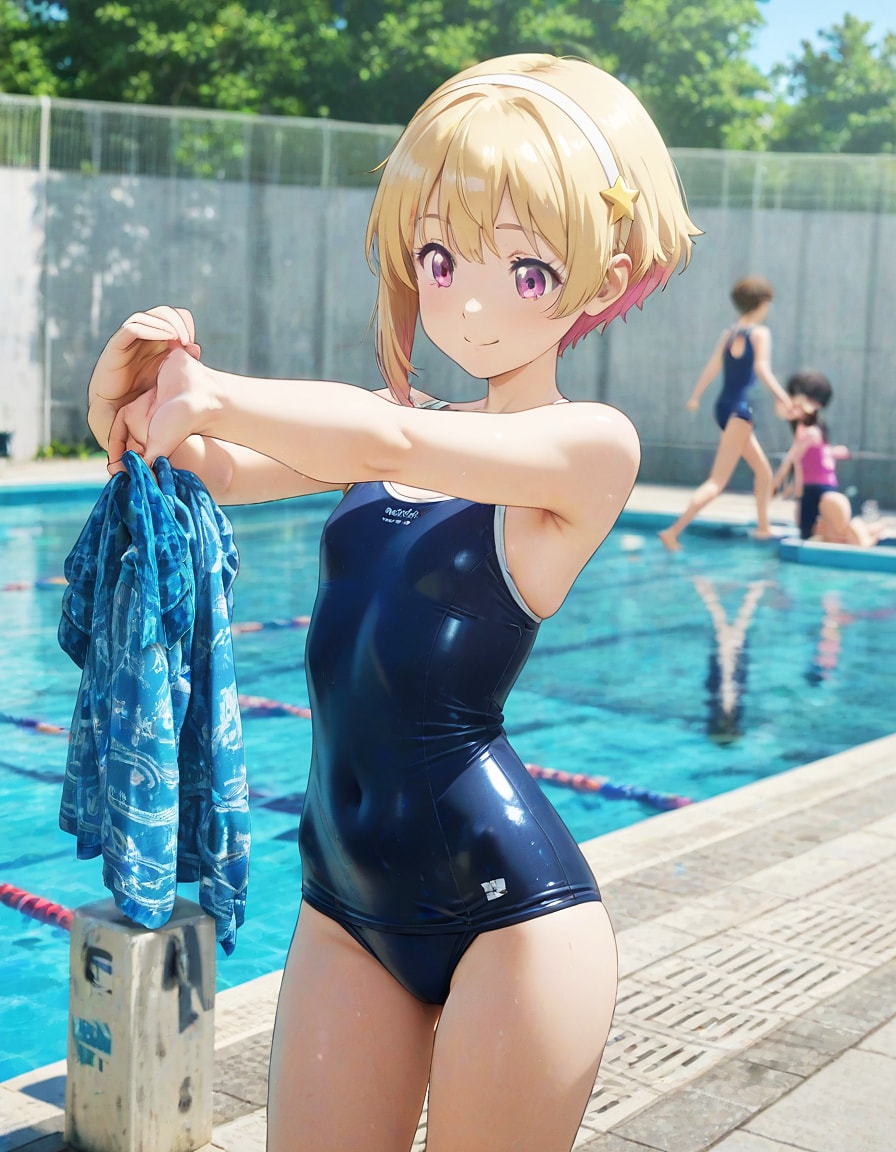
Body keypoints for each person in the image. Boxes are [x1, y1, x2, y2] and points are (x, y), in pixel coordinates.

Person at [85, 54, 699, 1152]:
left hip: (509, 913)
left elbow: (395, 440)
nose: (466, 300)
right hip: (341, 902)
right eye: (439, 257)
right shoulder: (387, 428)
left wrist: (218, 394)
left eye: (524, 270)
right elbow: (212, 470)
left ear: (601, 284)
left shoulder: (587, 447)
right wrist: (125, 410)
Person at [658, 275, 795, 551]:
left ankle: (763, 527)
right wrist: (785, 398)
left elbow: (712, 367)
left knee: (764, 473)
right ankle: (673, 531)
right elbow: (762, 369)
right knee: (717, 482)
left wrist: (696, 396)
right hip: (740, 411)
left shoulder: (728, 333)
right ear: (762, 303)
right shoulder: (760, 334)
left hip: (723, 407)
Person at [772, 369, 894, 547]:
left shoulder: (812, 432)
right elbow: (800, 459)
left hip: (821, 486)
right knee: (809, 530)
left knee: (828, 530)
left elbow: (794, 458)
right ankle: (873, 528)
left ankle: (871, 529)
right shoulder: (807, 432)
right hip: (812, 486)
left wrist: (776, 483)